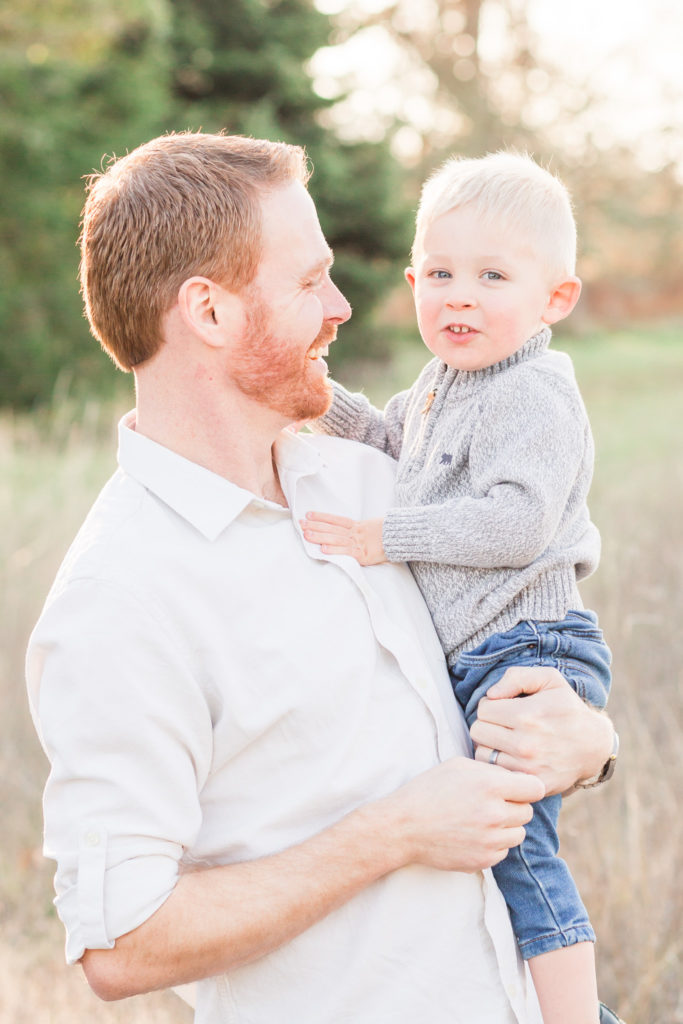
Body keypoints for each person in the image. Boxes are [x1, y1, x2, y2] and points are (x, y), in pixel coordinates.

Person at [26, 133, 618, 1024]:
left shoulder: (367, 482)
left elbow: (523, 628)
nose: (343, 305)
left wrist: (587, 744)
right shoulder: (122, 600)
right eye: (308, 281)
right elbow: (120, 943)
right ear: (210, 313)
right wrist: (394, 835)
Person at [301, 152, 615, 1024]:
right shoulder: (439, 385)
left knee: (513, 848)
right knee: (477, 845)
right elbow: (380, 439)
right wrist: (310, 396)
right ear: (411, 281)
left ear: (553, 299)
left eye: (491, 276)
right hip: (478, 653)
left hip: (531, 651)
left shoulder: (535, 392)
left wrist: (383, 538)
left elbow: (516, 521)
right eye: (438, 273)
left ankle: (574, 1017)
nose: (459, 296)